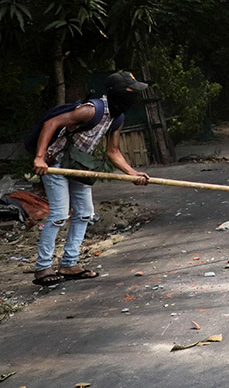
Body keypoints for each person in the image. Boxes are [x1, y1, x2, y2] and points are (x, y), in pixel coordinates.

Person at [30, 70, 151, 286]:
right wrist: (39, 158)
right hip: (54, 162)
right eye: (130, 91)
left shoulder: (117, 118)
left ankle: (69, 264)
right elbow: (51, 123)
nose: (133, 97)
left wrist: (133, 174)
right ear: (117, 92)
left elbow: (113, 151)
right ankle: (43, 268)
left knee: (85, 213)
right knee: (58, 214)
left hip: (78, 164)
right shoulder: (91, 110)